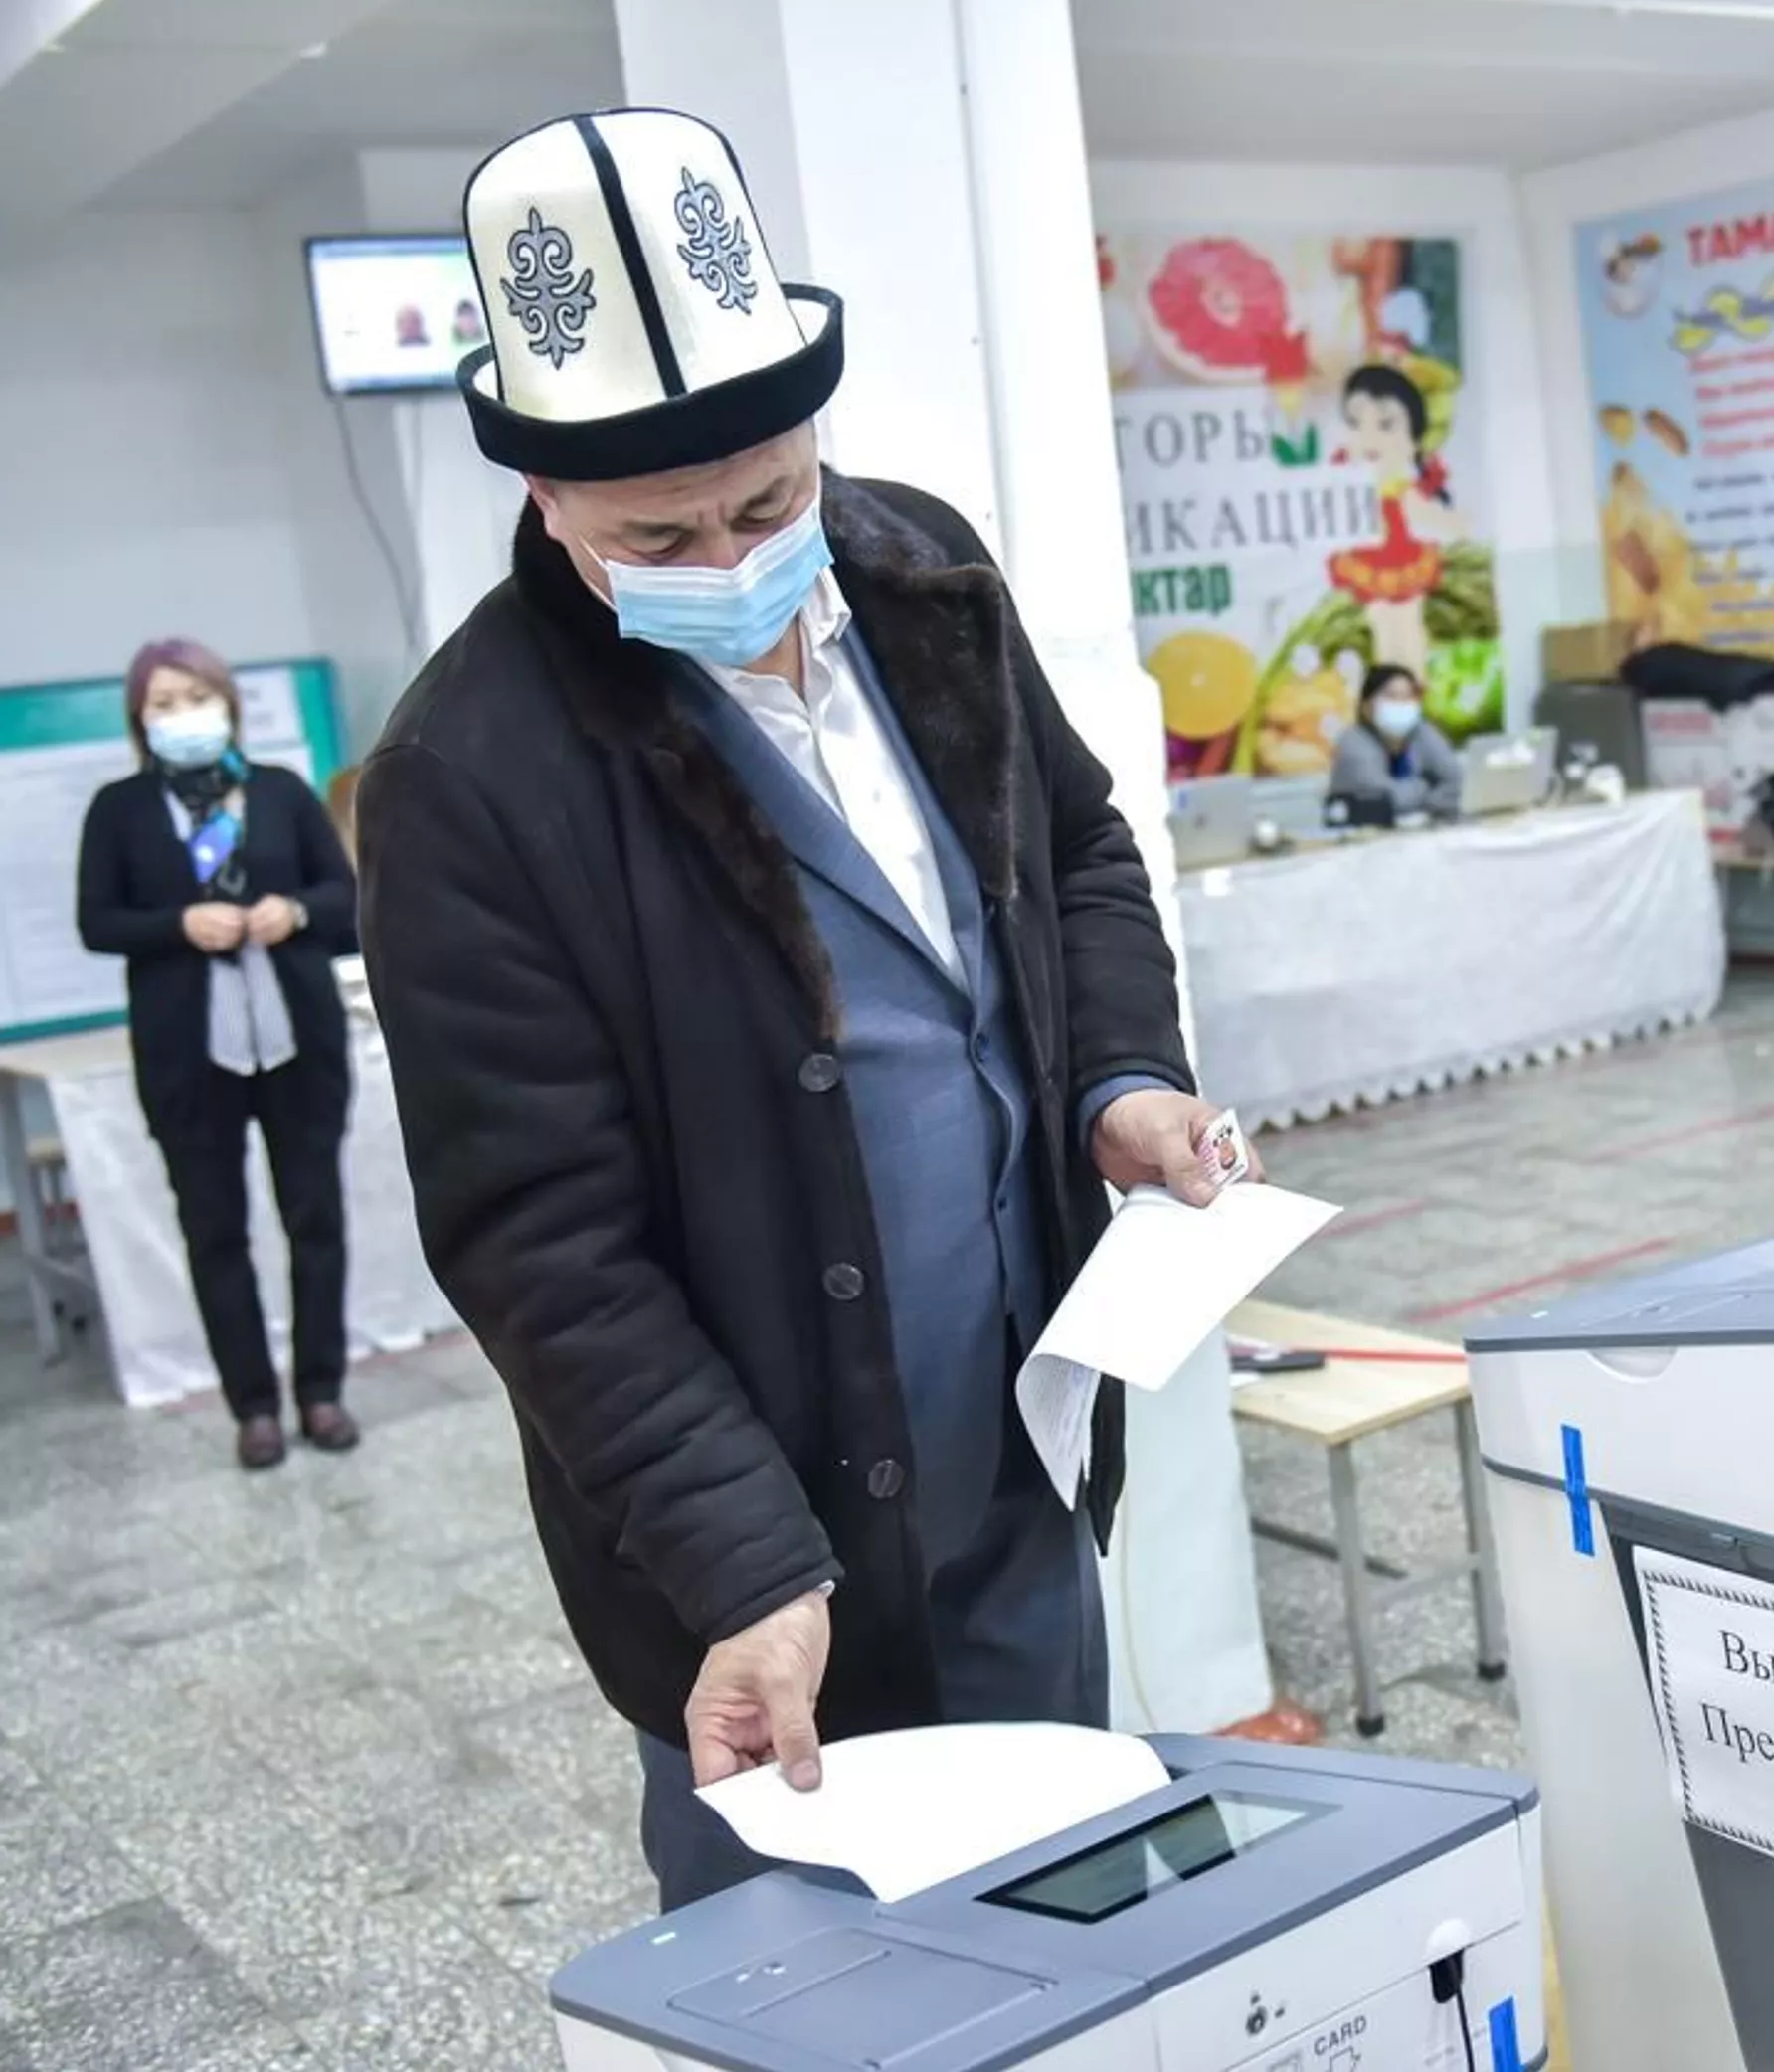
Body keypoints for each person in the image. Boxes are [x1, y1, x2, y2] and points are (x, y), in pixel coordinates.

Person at [356, 108, 1255, 1911]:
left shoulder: (920, 571)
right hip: (764, 1553)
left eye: (767, 503)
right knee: (811, 1970)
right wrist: (743, 1560)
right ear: (543, 499)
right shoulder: (473, 774)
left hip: (1015, 1455)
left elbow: (1076, 847)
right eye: (657, 532)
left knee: (1062, 1920)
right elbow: (540, 1240)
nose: (731, 558)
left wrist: (1121, 1079)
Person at [77, 640, 361, 1469]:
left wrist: (294, 912)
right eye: (163, 704)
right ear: (140, 720)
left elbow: (342, 894)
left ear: (228, 704)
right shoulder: (120, 809)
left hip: (295, 1042)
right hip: (190, 1057)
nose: (183, 715)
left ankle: (321, 1390)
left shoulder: (277, 791)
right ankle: (254, 1408)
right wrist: (178, 925)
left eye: (195, 697)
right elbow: (97, 920)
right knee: (215, 1231)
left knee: (315, 1219)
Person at [1328, 361, 1466, 677]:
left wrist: (1453, 523)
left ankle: (1415, 684)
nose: (1369, 437)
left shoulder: (1406, 491)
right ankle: (1389, 688)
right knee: (1380, 624)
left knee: (1407, 622)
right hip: (1367, 561)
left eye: (1386, 424)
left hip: (1404, 559)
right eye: (1355, 422)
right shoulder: (1346, 486)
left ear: (1414, 437)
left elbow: (1443, 520)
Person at [1330, 663, 1461, 822]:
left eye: (1408, 697)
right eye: (1391, 696)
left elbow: (1457, 781)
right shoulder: (1352, 743)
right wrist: (1426, 786)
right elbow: (1387, 800)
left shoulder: (1421, 731)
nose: (1401, 703)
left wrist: (1429, 803)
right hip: (1361, 832)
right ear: (1366, 706)